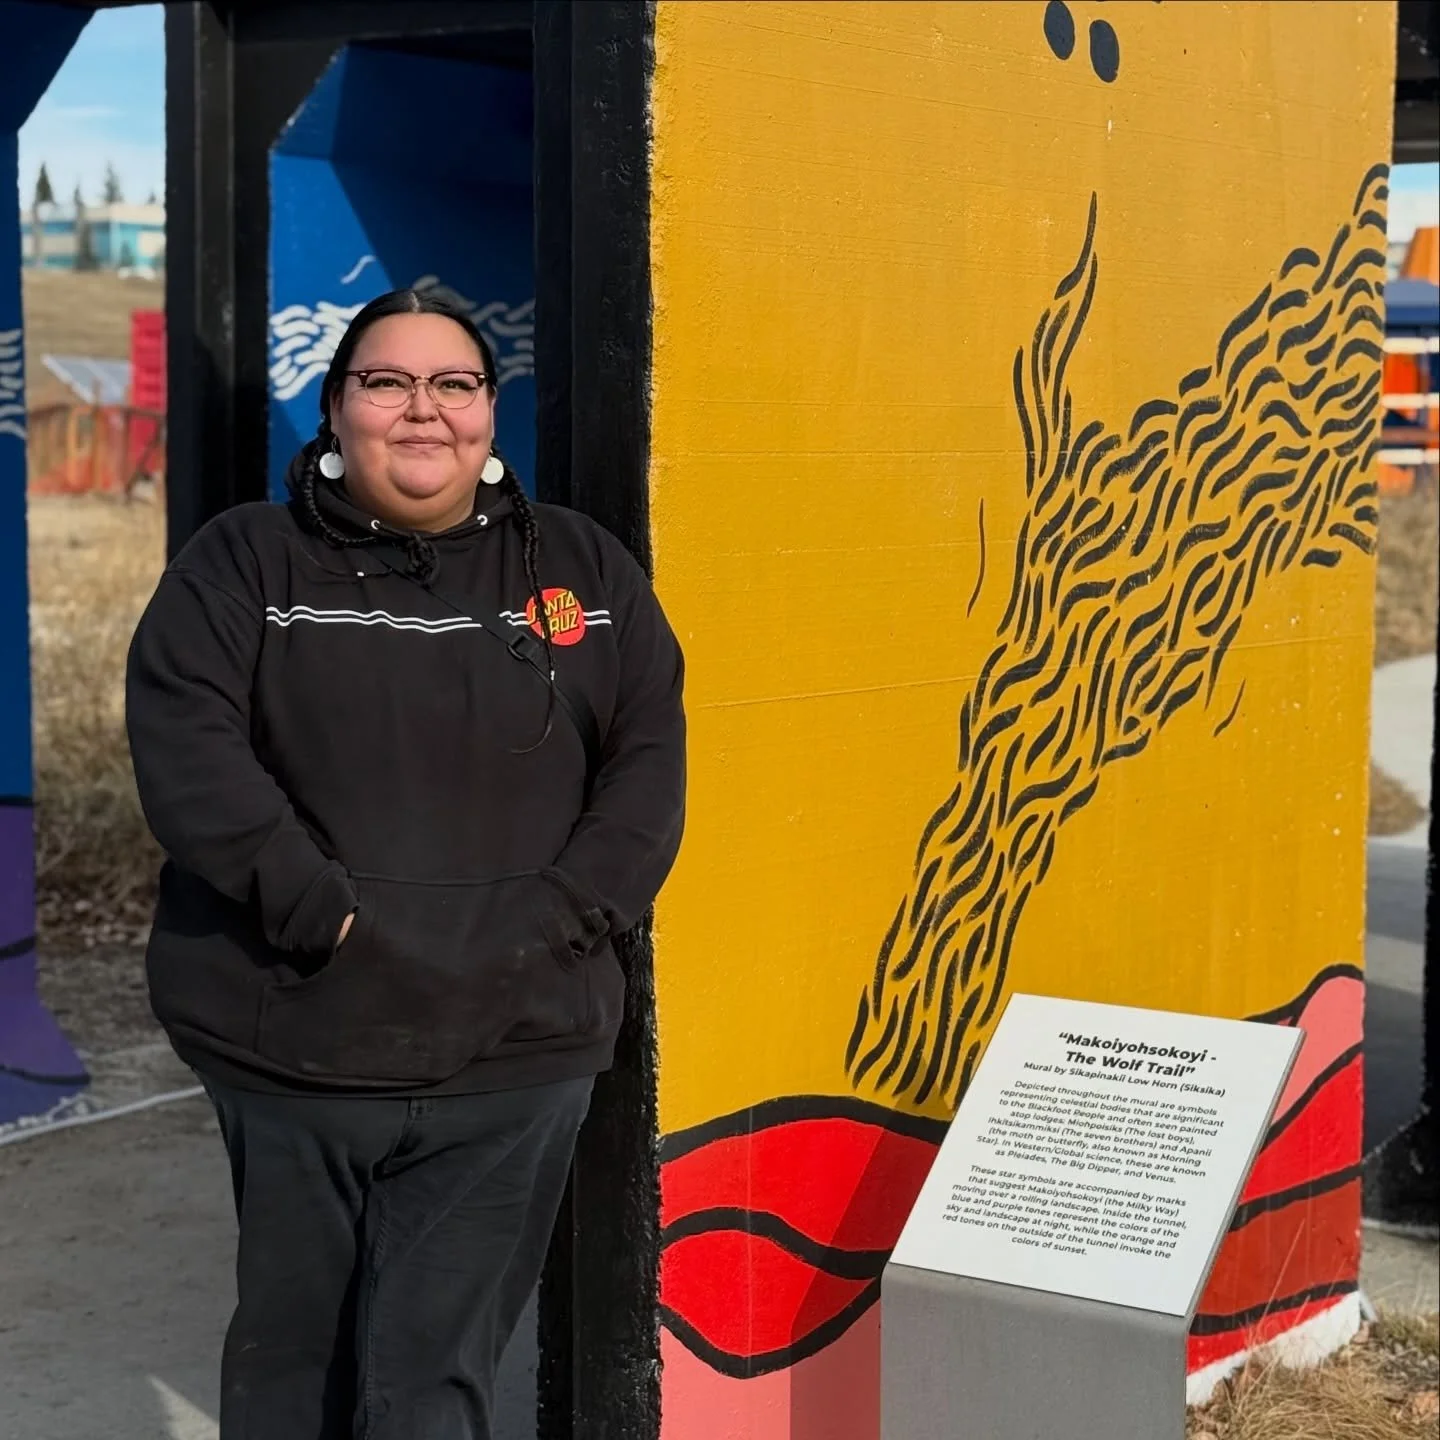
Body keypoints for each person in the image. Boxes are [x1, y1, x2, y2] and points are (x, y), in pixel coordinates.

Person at [125, 288, 686, 1439]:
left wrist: (562, 920)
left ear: (490, 411)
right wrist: (323, 915)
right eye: (387, 383)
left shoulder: (584, 571)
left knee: (438, 1375)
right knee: (296, 1368)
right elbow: (189, 752)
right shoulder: (246, 562)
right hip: (298, 1045)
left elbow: (647, 761)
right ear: (337, 411)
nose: (423, 411)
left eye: (456, 384)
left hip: (517, 1053)